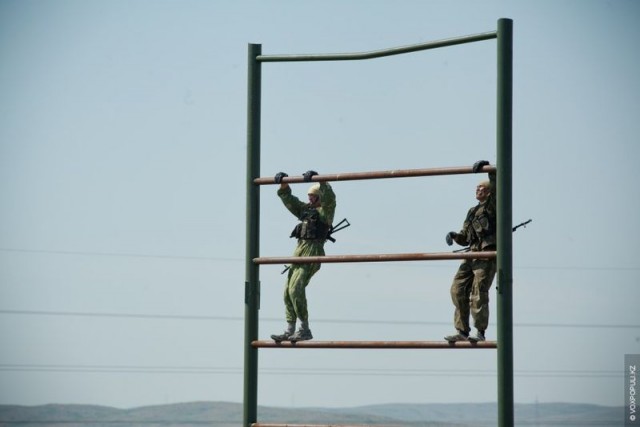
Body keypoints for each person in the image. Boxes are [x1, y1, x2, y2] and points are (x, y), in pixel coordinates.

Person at [270, 170, 336, 342]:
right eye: (309, 196)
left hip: (312, 252)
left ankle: (304, 329)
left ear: (319, 198)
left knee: (296, 289)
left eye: (313, 197)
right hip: (299, 252)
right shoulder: (306, 212)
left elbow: (330, 198)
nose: (310, 200)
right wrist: (283, 184)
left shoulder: (325, 212)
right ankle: (290, 329)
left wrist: (321, 180)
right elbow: (290, 201)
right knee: (287, 292)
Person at [444, 160, 496, 343]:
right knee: (457, 290)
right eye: (477, 187)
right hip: (472, 254)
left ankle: (480, 331)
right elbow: (466, 236)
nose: (478, 190)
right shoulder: (472, 211)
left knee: (478, 292)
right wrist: (455, 236)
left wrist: (489, 169)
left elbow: (498, 185)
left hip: (486, 255)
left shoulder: (492, 206)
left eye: (482, 188)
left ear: (489, 192)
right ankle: (462, 330)